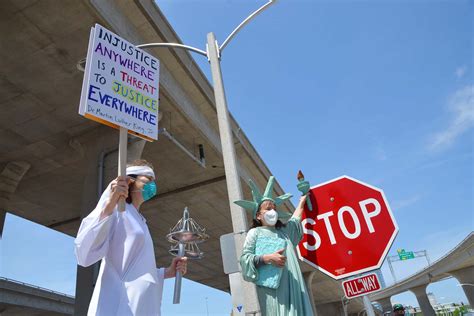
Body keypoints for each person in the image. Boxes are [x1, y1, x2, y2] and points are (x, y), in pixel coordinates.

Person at [74, 159, 187, 316]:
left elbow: (134, 266)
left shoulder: (140, 220)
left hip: (142, 304)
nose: (152, 186)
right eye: (148, 180)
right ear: (129, 181)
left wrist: (167, 272)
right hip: (121, 303)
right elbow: (85, 254)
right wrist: (111, 204)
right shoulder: (117, 211)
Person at [236, 176, 314, 316]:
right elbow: (245, 259)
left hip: (293, 285)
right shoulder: (255, 233)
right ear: (258, 216)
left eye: (274, 208)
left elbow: (295, 220)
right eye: (268, 208)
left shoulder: (284, 232)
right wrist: (267, 258)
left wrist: (302, 200)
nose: (272, 211)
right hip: (273, 290)